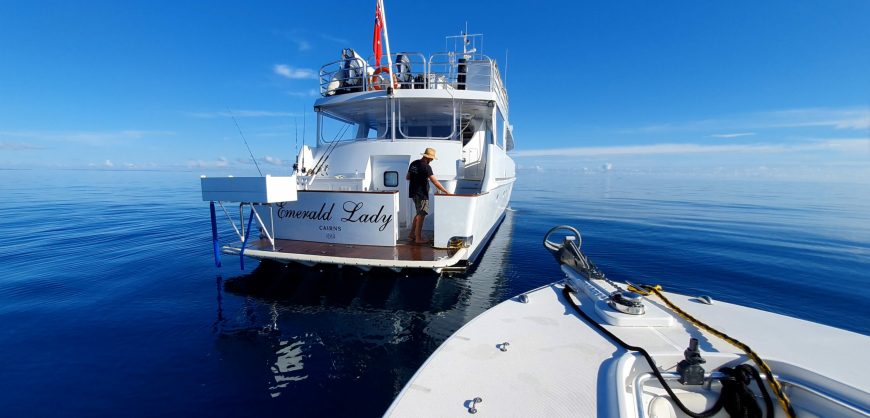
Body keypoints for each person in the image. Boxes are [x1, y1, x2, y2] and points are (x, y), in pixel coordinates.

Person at [406, 147, 449, 244]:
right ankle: (418, 238)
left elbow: (408, 177)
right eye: (432, 159)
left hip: (413, 193)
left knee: (418, 213)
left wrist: (418, 178)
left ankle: (412, 234)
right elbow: (435, 182)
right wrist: (447, 192)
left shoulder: (414, 163)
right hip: (422, 195)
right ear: (428, 158)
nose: (432, 160)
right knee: (421, 215)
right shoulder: (426, 167)